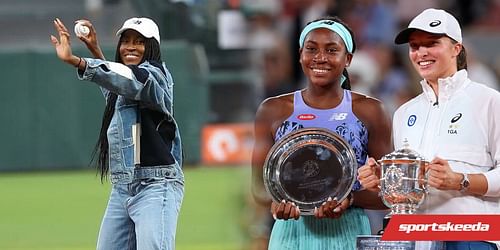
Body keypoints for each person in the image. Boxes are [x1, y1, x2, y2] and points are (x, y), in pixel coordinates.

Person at [357, 8, 500, 250]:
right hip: (410, 237)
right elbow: (405, 190)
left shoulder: (489, 101)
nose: (421, 53)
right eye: (414, 46)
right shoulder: (404, 113)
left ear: (457, 48)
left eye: (432, 43)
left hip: (471, 235)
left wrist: (460, 180)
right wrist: (383, 180)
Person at [251, 16, 393, 249]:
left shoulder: (371, 111)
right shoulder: (272, 109)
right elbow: (258, 187)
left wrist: (349, 199)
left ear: (347, 58)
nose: (320, 58)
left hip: (348, 232)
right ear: (300, 55)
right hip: (290, 236)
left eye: (331, 50)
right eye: (311, 49)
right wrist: (276, 202)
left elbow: (389, 194)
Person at [50, 17, 184, 250]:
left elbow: (131, 81)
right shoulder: (126, 80)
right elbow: (118, 90)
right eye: (126, 40)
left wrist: (78, 61)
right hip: (123, 186)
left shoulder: (156, 76)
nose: (130, 46)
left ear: (153, 47)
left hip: (156, 183)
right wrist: (95, 49)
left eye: (140, 41)